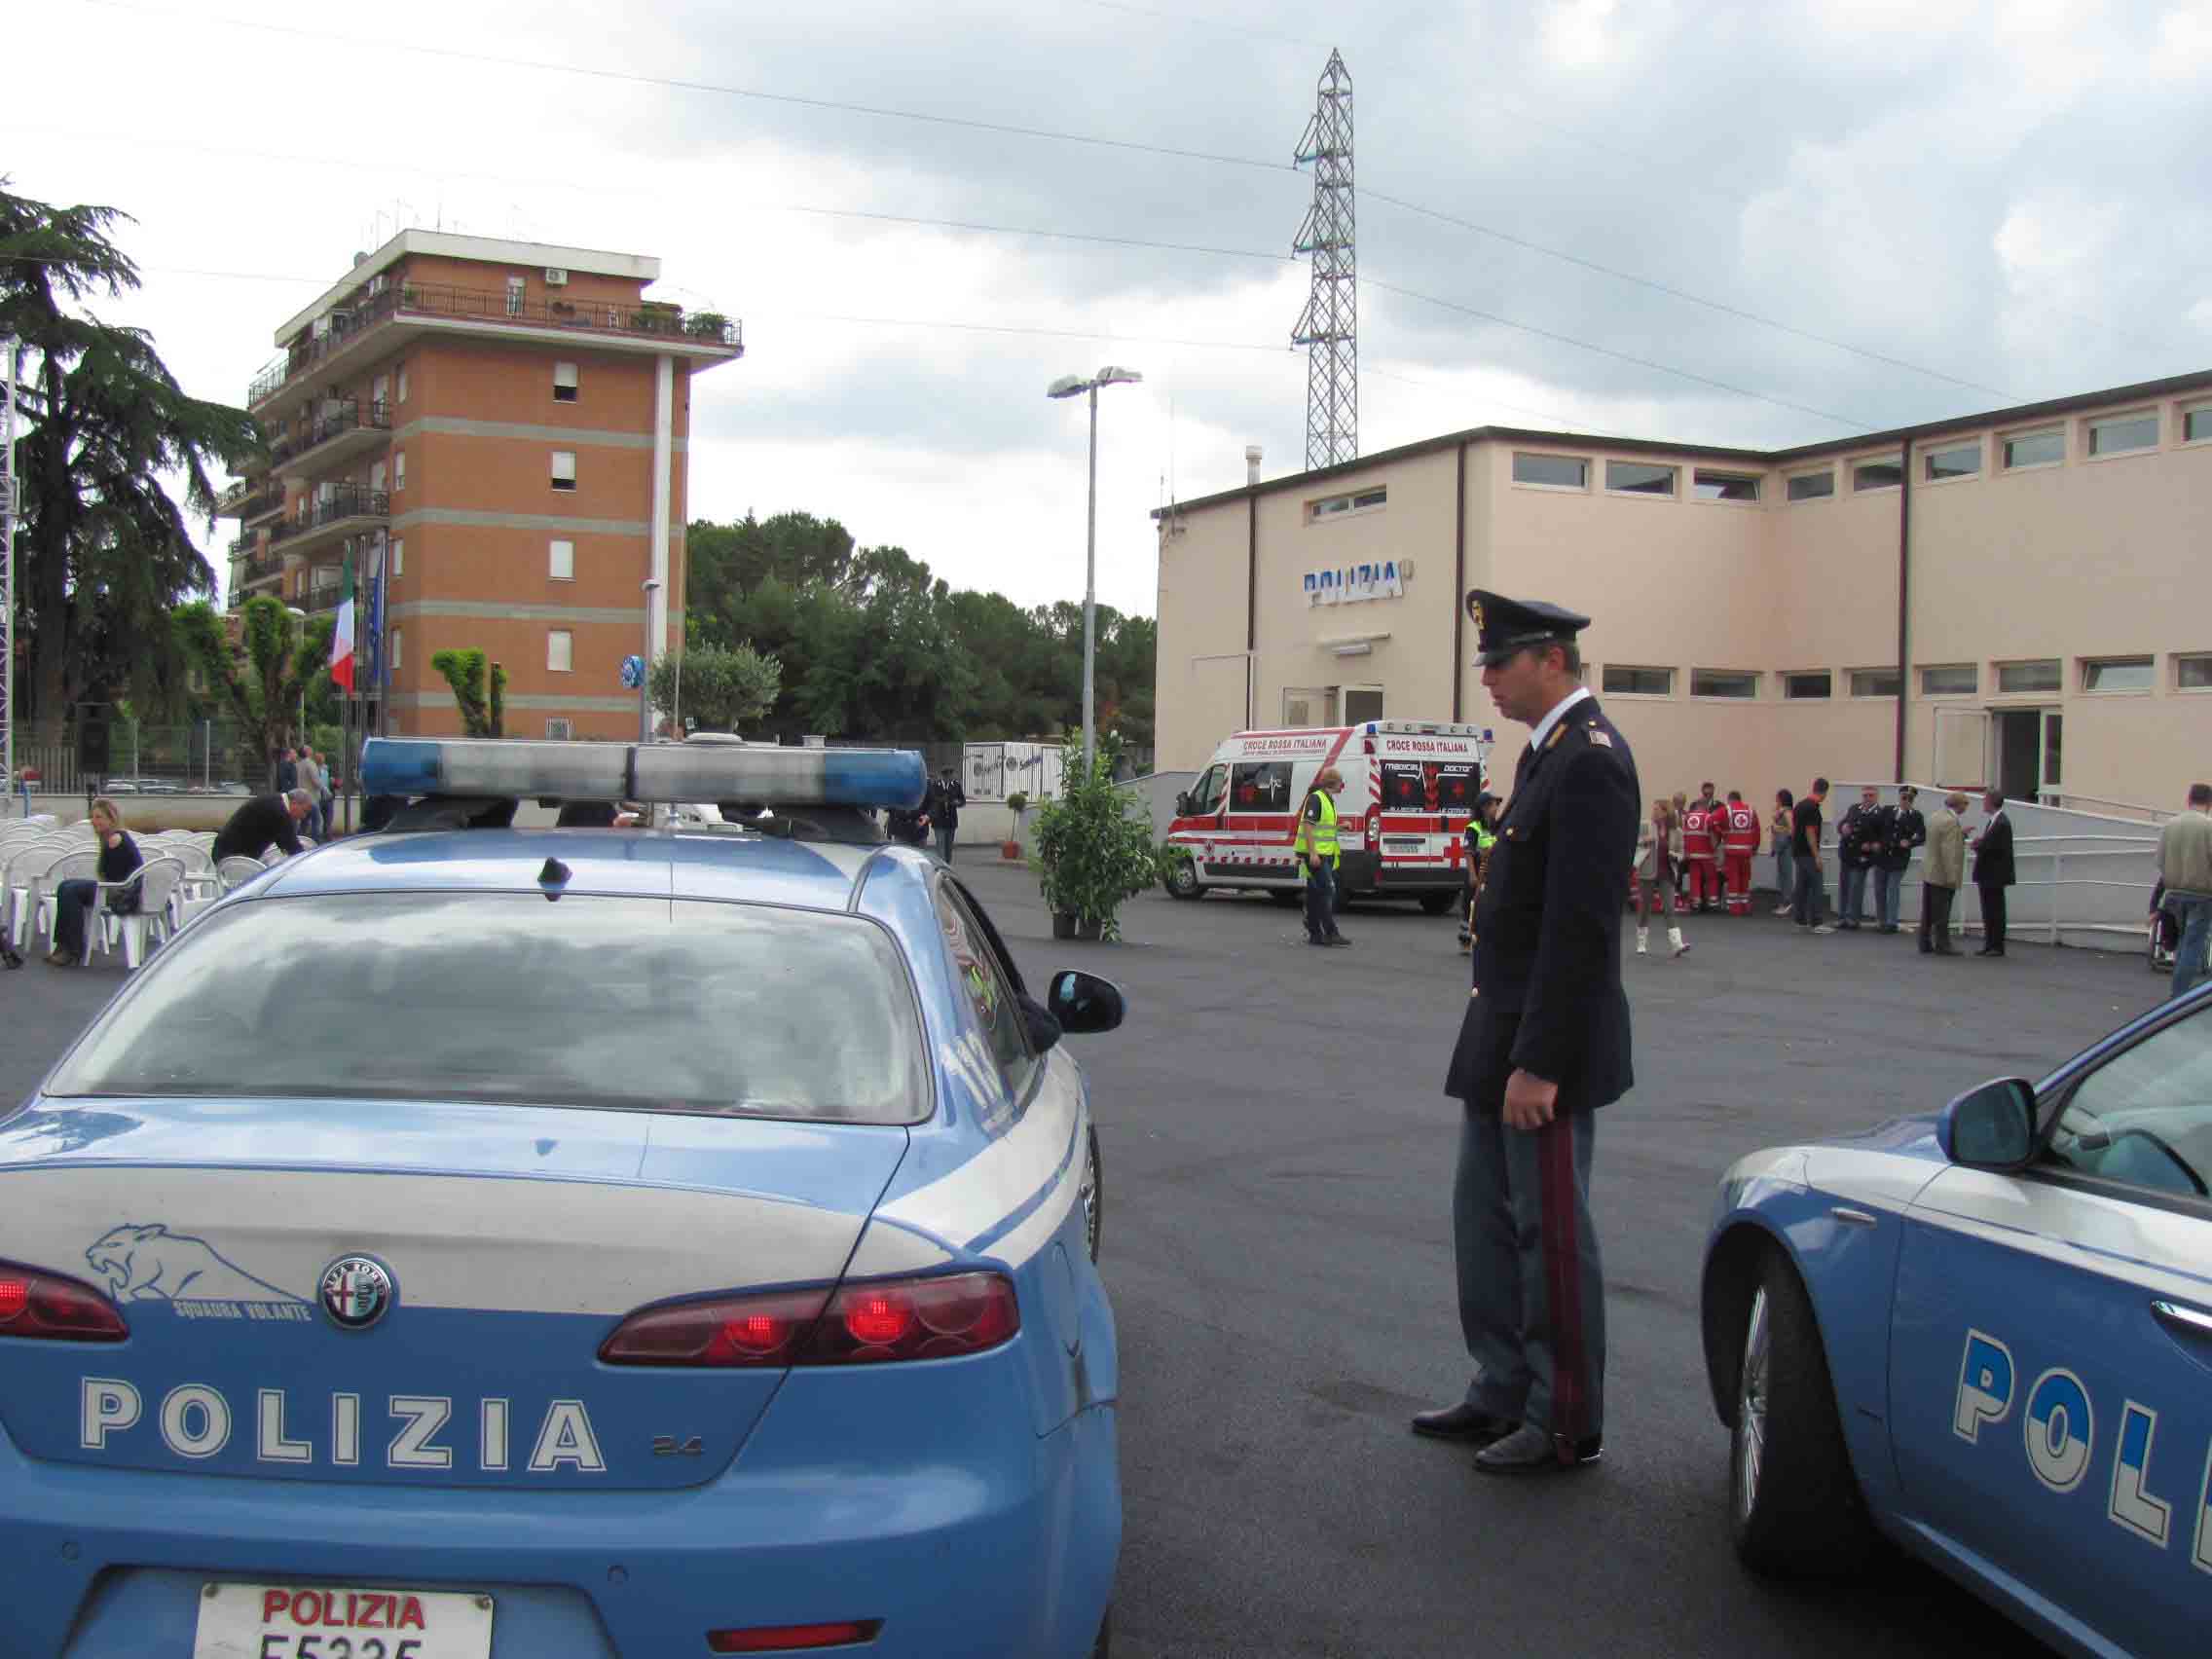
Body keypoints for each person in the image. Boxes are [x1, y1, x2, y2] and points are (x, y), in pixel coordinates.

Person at [1417, 590, 1634, 1477]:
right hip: (1499, 1034)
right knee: (1485, 1222)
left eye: (1499, 664)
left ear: (1551, 660)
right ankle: (1502, 1384)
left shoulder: (1590, 762)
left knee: (1547, 1234)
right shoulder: (1545, 758)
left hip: (1544, 1050)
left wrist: (1539, 1063)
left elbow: (1579, 931)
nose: (1488, 681)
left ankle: (1564, 1418)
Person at [48, 797, 143, 967]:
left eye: (99, 817)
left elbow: (111, 876)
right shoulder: (111, 837)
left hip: (121, 893)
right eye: (93, 817)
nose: (94, 821)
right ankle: (63, 946)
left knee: (70, 890)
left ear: (111, 818)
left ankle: (72, 949)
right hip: (115, 887)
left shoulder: (115, 839)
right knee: (65, 886)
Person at [2155, 783, 2212, 1000]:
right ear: (2209, 803)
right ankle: (2178, 997)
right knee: (2193, 945)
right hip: (2203, 895)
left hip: (2173, 893)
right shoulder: (2209, 826)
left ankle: (2177, 993)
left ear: (2189, 799)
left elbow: (2159, 861)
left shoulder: (2170, 825)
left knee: (2182, 943)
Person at [1295, 765, 1348, 948]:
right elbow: (1308, 826)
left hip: (1325, 852)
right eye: (1341, 783)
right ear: (1333, 783)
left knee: (1315, 893)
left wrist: (1339, 827)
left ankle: (1315, 933)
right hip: (1317, 854)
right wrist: (1313, 853)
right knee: (1328, 890)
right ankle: (1331, 932)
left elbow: (1321, 827)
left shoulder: (1327, 799)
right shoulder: (1317, 799)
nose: (1343, 786)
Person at [1634, 798, 1687, 960]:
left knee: (1670, 909)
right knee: (1645, 908)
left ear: (1666, 812)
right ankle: (1641, 943)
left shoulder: (1676, 831)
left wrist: (1675, 856)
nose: (1654, 812)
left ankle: (1677, 944)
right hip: (1648, 872)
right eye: (1653, 809)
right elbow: (1633, 843)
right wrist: (1644, 841)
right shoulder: (1645, 826)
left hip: (1667, 873)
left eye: (1657, 809)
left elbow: (1681, 852)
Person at [1919, 792, 1968, 956]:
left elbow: (1937, 841)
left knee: (1928, 910)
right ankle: (1943, 944)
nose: (1965, 809)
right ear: (1959, 805)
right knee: (1942, 911)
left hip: (1930, 870)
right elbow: (1948, 851)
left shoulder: (1935, 816)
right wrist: (1952, 876)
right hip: (1942, 873)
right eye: (1965, 805)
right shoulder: (1951, 822)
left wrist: (1961, 835)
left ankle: (1924, 941)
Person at [211, 788, 312, 864]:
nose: (303, 816)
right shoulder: (280, 812)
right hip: (233, 857)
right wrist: (308, 862)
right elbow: (292, 846)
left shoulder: (275, 801)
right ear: (294, 803)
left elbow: (284, 844)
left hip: (226, 851)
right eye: (304, 811)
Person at [1971, 790, 2015, 957]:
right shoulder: (1995, 821)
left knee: (1995, 910)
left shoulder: (2001, 823)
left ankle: (1996, 945)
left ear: (1991, 802)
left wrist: (1977, 846)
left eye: (1985, 800)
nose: (1983, 803)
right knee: (1989, 910)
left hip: (1994, 874)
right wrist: (1981, 843)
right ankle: (1990, 943)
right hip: (1990, 874)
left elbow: (1994, 848)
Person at [1880, 786, 1927, 935]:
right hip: (1883, 855)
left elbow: (1922, 836)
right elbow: (1875, 827)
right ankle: (1882, 920)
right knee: (1880, 889)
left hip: (1899, 857)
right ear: (1899, 798)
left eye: (1910, 799)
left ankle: (1891, 922)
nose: (1906, 801)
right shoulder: (1888, 811)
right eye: (1904, 798)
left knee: (1892, 889)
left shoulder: (1916, 816)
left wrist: (1910, 843)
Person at [1835, 785, 1883, 930]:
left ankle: (1853, 918)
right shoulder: (1854, 808)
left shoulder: (1880, 814)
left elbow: (1882, 836)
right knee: (1844, 886)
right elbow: (1842, 823)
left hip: (1862, 856)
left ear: (1876, 797)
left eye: (1870, 795)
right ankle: (1843, 916)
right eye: (1865, 795)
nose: (1867, 798)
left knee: (1856, 886)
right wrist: (1842, 827)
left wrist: (1872, 844)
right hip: (1847, 854)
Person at [1457, 793, 1499, 952]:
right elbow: (1468, 852)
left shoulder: (1495, 826)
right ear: (1485, 808)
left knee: (1487, 907)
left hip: (1490, 874)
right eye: (1494, 805)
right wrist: (1472, 875)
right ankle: (1465, 941)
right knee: (1470, 908)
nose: (1497, 808)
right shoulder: (1474, 827)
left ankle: (1483, 940)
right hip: (1476, 872)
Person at [1791, 778, 1832, 935]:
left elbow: (1795, 829)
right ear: (1825, 792)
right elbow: (1810, 832)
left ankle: (1800, 919)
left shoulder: (1800, 805)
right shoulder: (1813, 808)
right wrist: (1817, 856)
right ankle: (1816, 921)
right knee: (1816, 885)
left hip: (1798, 851)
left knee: (1802, 885)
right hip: (1808, 853)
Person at [1721, 789, 1759, 916]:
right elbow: (1756, 830)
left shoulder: (1726, 810)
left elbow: (1710, 821)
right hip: (1746, 850)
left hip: (1731, 850)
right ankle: (1745, 905)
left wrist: (1723, 832)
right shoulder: (1750, 810)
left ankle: (1734, 907)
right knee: (1744, 877)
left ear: (1730, 799)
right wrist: (1754, 847)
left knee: (1733, 877)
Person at [1769, 789, 1796, 916]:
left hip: (1786, 847)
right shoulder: (1780, 812)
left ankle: (1788, 902)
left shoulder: (1787, 812)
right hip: (1780, 847)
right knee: (1781, 875)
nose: (1776, 801)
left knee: (1786, 875)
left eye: (1777, 799)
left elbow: (1792, 830)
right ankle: (1784, 902)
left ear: (1781, 799)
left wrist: (1779, 830)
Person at [929, 768, 965, 863]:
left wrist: (958, 802)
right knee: (940, 845)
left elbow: (962, 800)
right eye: (946, 775)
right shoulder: (935, 785)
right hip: (939, 821)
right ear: (942, 776)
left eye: (950, 775)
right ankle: (942, 868)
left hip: (951, 822)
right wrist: (941, 800)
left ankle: (947, 866)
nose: (949, 777)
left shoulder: (956, 786)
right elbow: (932, 800)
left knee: (949, 847)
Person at [295, 748, 325, 841]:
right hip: (311, 798)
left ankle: (299, 840)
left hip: (301, 797)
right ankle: (315, 842)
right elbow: (316, 781)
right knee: (317, 820)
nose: (312, 750)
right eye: (309, 749)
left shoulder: (297, 764)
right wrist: (324, 789)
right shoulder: (310, 764)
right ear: (307, 752)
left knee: (304, 821)